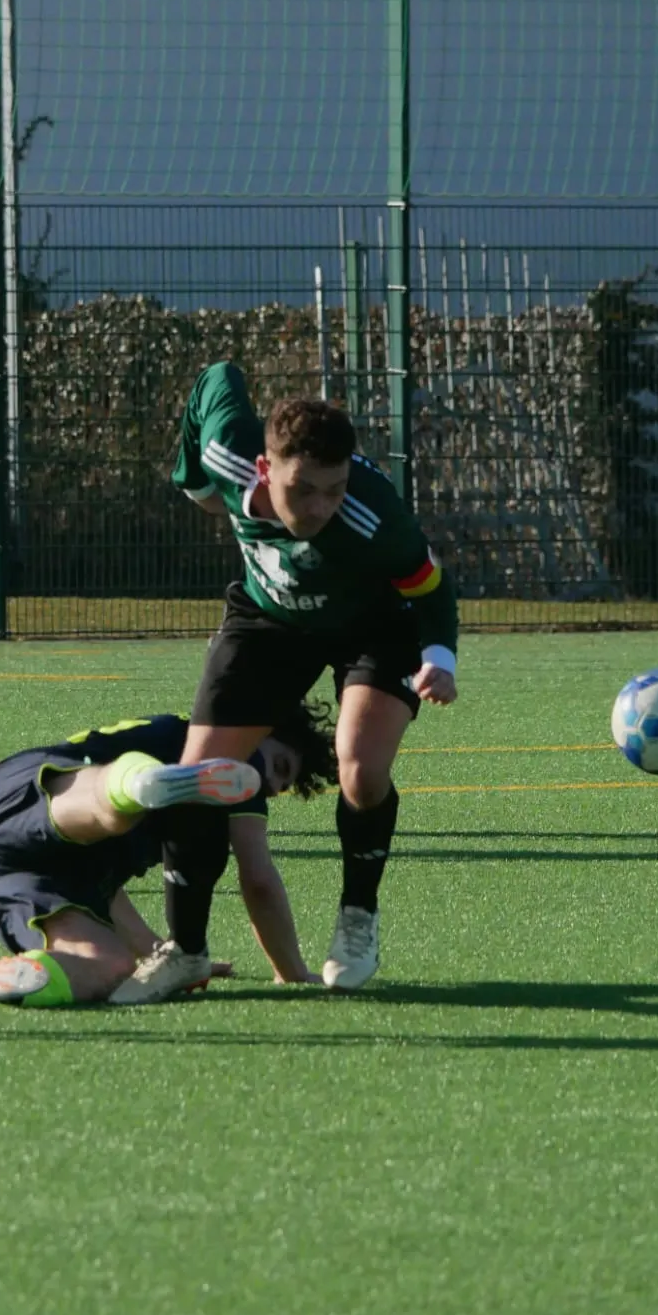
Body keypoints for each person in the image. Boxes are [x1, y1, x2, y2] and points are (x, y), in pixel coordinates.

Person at [108, 362, 459, 1005]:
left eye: (334, 489)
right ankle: (185, 953)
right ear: (264, 470)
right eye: (305, 490)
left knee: (360, 772)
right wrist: (195, 483)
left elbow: (430, 589)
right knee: (196, 780)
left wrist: (440, 657)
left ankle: (357, 917)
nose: (321, 507)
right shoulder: (227, 456)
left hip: (374, 626)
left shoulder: (373, 514)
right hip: (270, 619)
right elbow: (216, 378)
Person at [0, 702, 337, 1007]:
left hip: (8, 862)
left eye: (280, 786)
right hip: (44, 788)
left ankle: (5, 977)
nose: (268, 784)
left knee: (109, 967)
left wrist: (160, 954)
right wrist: (292, 972)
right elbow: (258, 880)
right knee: (109, 809)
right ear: (261, 731)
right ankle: (136, 782)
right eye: (279, 766)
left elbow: (107, 890)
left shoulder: (194, 749)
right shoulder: (233, 761)